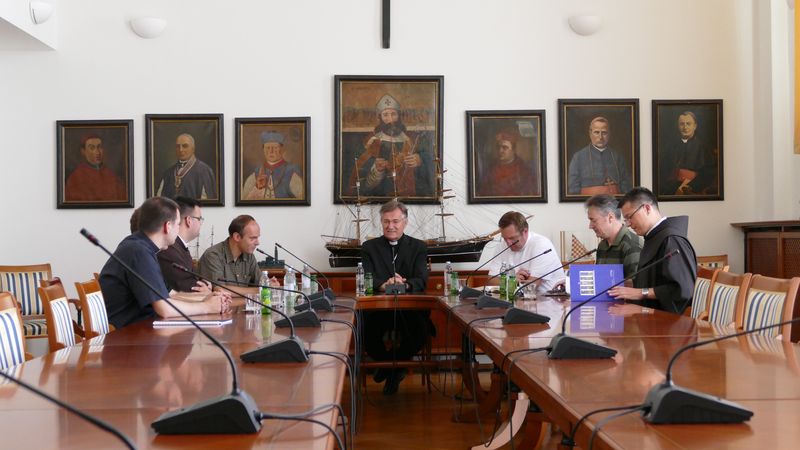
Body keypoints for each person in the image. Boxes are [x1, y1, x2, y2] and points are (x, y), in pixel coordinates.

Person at [98, 197, 231, 330]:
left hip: (140, 328)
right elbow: (164, 308)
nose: (179, 230)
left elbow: (171, 295)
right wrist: (207, 307)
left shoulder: (143, 247)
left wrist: (207, 298)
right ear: (168, 226)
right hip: (125, 335)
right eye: (178, 224)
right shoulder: (138, 251)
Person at [360, 200, 430, 395]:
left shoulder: (418, 247)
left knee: (420, 331)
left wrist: (404, 285)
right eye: (386, 221)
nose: (390, 226)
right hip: (378, 310)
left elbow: (422, 280)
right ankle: (395, 370)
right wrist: (384, 285)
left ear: (405, 222)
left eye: (395, 221)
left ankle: (388, 369)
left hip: (410, 310)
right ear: (381, 222)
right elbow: (367, 277)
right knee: (364, 332)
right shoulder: (369, 247)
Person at [608, 187, 697, 314]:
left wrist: (640, 293)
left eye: (629, 217)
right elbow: (654, 279)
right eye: (626, 220)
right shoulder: (653, 237)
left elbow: (682, 289)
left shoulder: (671, 239)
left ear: (647, 208)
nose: (628, 224)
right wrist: (628, 284)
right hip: (647, 314)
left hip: (668, 320)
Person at [349, 94, 434, 198]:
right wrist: (377, 170)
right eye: (385, 115)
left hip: (408, 195)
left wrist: (420, 159)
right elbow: (359, 175)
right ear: (380, 117)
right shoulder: (371, 141)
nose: (390, 119)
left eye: (393, 114)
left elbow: (432, 160)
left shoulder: (412, 139)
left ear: (399, 116)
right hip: (381, 194)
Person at [485, 211, 565, 295]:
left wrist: (509, 282)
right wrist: (511, 280)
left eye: (512, 238)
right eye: (505, 238)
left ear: (525, 231)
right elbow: (491, 281)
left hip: (550, 300)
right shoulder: (502, 245)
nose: (508, 243)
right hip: (518, 299)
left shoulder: (541, 245)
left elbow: (530, 287)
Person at [157, 196, 211, 293]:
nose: (200, 223)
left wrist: (205, 284)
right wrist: (205, 288)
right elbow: (183, 286)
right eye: (199, 219)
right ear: (189, 220)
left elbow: (193, 278)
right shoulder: (169, 249)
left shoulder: (180, 246)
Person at [567, 117, 632, 196]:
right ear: (590, 133)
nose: (600, 137)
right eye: (596, 132)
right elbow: (573, 189)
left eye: (604, 133)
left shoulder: (617, 157)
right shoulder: (578, 157)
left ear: (609, 134)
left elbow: (626, 187)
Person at [659, 111, 717, 196]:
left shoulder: (704, 148)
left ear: (695, 126)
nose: (685, 127)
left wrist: (687, 187)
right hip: (671, 189)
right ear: (678, 126)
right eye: (682, 124)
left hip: (693, 189)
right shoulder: (671, 147)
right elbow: (663, 172)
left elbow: (708, 174)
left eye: (688, 124)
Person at [585, 194, 643, 277]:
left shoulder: (632, 245)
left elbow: (637, 283)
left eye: (593, 220)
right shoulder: (602, 245)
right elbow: (599, 278)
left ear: (610, 217)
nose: (590, 226)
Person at [198, 215, 263, 288]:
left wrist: (269, 283)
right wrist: (257, 290)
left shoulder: (249, 256)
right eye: (252, 238)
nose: (257, 243)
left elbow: (262, 284)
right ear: (237, 237)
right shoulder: (213, 255)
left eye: (257, 237)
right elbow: (221, 289)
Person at [241, 131, 304, 199]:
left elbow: (302, 199)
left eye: (275, 147)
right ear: (263, 149)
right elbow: (245, 200)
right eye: (268, 147)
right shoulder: (255, 174)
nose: (271, 151)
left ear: (282, 149)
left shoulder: (292, 172)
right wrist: (258, 188)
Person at [65, 134, 126, 202]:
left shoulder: (111, 174)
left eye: (99, 147)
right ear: (83, 151)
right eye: (92, 148)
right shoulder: (75, 177)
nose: (97, 152)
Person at [156, 133, 217, 200]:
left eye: (185, 146)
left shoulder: (204, 171)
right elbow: (160, 200)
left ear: (193, 148)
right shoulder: (168, 173)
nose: (181, 150)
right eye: (178, 146)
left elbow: (208, 202)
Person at [476, 130, 538, 197]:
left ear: (513, 150)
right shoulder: (491, 168)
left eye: (505, 147)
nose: (500, 150)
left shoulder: (524, 171)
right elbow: (483, 192)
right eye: (498, 147)